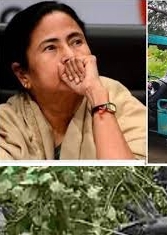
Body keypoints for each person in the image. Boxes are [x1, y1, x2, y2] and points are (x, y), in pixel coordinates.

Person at [0, 2, 146, 160]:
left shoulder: (115, 97)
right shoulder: (7, 122)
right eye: (50, 47)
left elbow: (127, 178)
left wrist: (98, 98)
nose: (70, 55)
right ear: (23, 74)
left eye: (76, 42)